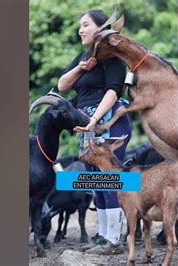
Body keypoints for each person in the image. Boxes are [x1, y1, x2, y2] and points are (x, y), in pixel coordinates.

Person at [57, 9, 132, 255]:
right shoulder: (84, 56)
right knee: (95, 182)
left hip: (108, 122)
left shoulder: (114, 58)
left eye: (86, 24)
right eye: (80, 25)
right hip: (86, 124)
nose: (80, 29)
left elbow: (113, 91)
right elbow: (62, 85)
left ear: (102, 28)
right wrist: (80, 68)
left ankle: (115, 241)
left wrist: (95, 121)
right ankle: (103, 236)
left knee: (109, 180)